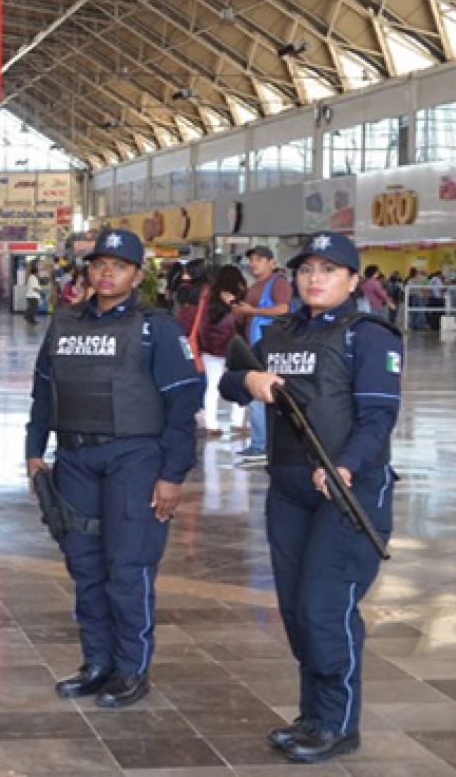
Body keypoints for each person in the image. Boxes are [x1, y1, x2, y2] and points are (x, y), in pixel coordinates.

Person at [218, 232, 402, 764]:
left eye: (328, 270)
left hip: (347, 489)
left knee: (325, 607)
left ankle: (338, 724)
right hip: (291, 486)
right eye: (305, 270)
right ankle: (314, 716)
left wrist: (346, 466)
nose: (314, 279)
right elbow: (231, 381)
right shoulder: (282, 332)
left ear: (352, 279)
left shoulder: (369, 337)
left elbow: (378, 416)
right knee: (297, 609)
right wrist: (250, 380)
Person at [24, 228, 202, 709]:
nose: (107, 273)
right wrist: (35, 449)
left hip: (134, 458)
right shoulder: (64, 323)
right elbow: (44, 390)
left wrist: (173, 474)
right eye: (100, 264)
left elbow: (183, 403)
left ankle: (130, 669)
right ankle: (96, 663)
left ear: (137, 276)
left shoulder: (156, 328)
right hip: (76, 458)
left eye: (119, 266)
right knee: (85, 566)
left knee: (127, 567)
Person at [232, 247, 291, 467]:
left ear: (271, 262)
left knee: (258, 393)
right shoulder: (254, 286)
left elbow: (284, 309)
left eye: (259, 259)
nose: (253, 263)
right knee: (256, 395)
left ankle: (261, 445)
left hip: (270, 346)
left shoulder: (278, 283)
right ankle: (260, 442)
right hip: (255, 345)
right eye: (251, 260)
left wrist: (253, 311)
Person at [198, 265, 247, 436]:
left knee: (212, 386)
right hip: (232, 348)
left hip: (210, 349)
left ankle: (211, 424)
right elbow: (241, 324)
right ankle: (237, 421)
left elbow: (203, 325)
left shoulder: (209, 297)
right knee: (238, 383)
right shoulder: (238, 300)